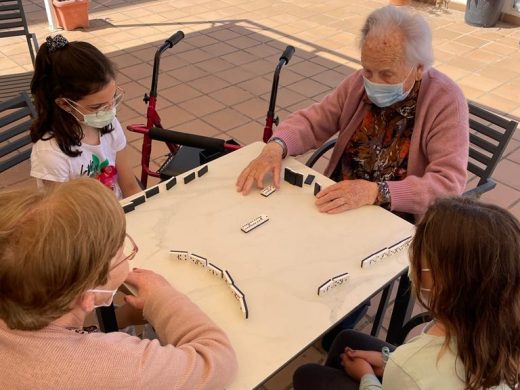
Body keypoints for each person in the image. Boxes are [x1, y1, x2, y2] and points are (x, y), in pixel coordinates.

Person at [236, 6, 469, 221]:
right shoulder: (359, 83)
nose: (373, 82)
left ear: (418, 68)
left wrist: (376, 192)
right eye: (368, 70)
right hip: (339, 201)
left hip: (396, 220)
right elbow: (315, 120)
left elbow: (448, 184)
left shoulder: (445, 100)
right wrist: (276, 146)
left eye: (386, 74)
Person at [0, 178, 238, 389]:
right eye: (118, 251)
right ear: (88, 295)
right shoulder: (113, 366)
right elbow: (216, 360)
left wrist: (122, 318)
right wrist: (161, 298)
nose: (125, 252)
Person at [293, 196, 520, 390]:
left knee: (308, 374)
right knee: (346, 339)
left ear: (444, 280)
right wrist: (387, 359)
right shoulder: (497, 320)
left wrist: (368, 377)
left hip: (413, 376)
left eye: (419, 254)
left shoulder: (410, 367)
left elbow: (417, 374)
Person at [30, 34, 141, 199]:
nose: (109, 110)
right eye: (97, 106)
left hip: (116, 212)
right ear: (64, 104)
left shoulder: (109, 125)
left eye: (113, 98)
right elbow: (65, 217)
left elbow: (130, 186)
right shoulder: (50, 155)